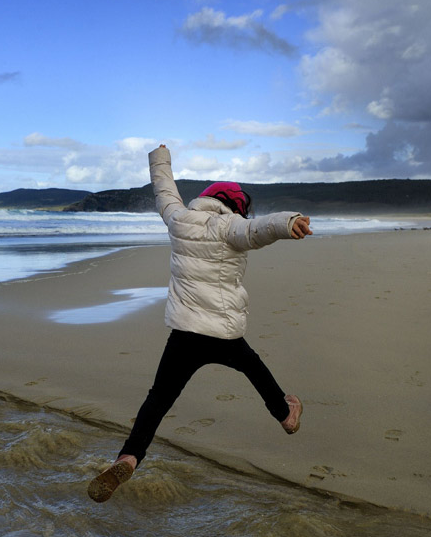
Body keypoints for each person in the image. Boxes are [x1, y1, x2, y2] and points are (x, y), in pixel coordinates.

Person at [87, 144, 312, 503]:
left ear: (205, 199)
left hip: (185, 333)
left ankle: (128, 457)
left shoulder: (179, 219)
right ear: (235, 206)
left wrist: (160, 158)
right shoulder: (231, 226)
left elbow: (164, 190)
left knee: (158, 399)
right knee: (254, 368)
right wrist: (288, 222)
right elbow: (258, 230)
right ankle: (285, 415)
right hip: (223, 334)